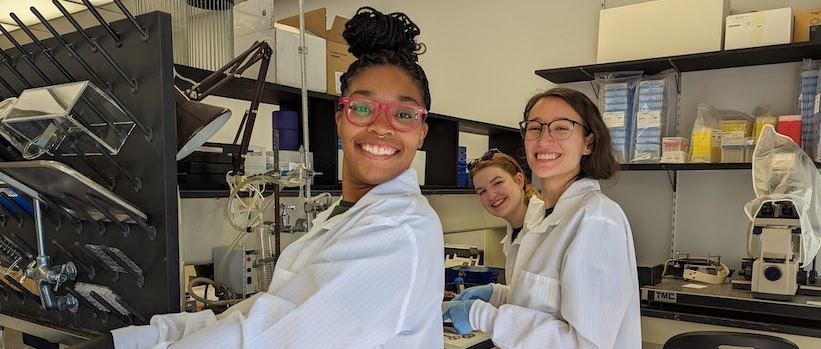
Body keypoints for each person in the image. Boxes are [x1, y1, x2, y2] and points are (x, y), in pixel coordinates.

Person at [102, 7, 444, 349]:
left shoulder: (401, 229)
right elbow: (265, 313)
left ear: (422, 133)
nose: (382, 127)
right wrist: (139, 339)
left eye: (403, 114)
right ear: (340, 117)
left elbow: (271, 338)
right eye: (363, 107)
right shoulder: (339, 215)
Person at [443, 87, 641, 348]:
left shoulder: (596, 219)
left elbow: (587, 344)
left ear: (588, 142)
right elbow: (543, 302)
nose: (544, 140)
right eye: (535, 128)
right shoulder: (540, 216)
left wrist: (484, 316)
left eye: (561, 128)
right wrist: (498, 296)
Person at [465, 149, 545, 287]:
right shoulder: (514, 234)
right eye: (482, 191)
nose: (491, 196)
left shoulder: (545, 227)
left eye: (497, 183)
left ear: (519, 180)